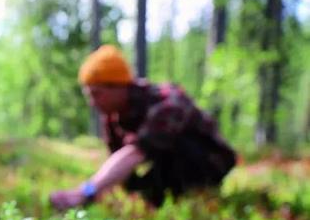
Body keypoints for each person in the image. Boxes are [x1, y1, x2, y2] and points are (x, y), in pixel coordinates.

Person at [50, 45, 237, 209]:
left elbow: (136, 153)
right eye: (89, 95)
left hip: (208, 162)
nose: (92, 103)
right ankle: (157, 202)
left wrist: (85, 192)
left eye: (97, 94)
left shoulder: (167, 104)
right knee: (133, 184)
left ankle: (196, 200)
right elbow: (119, 164)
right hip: (164, 165)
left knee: (178, 148)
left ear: (119, 87)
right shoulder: (113, 116)